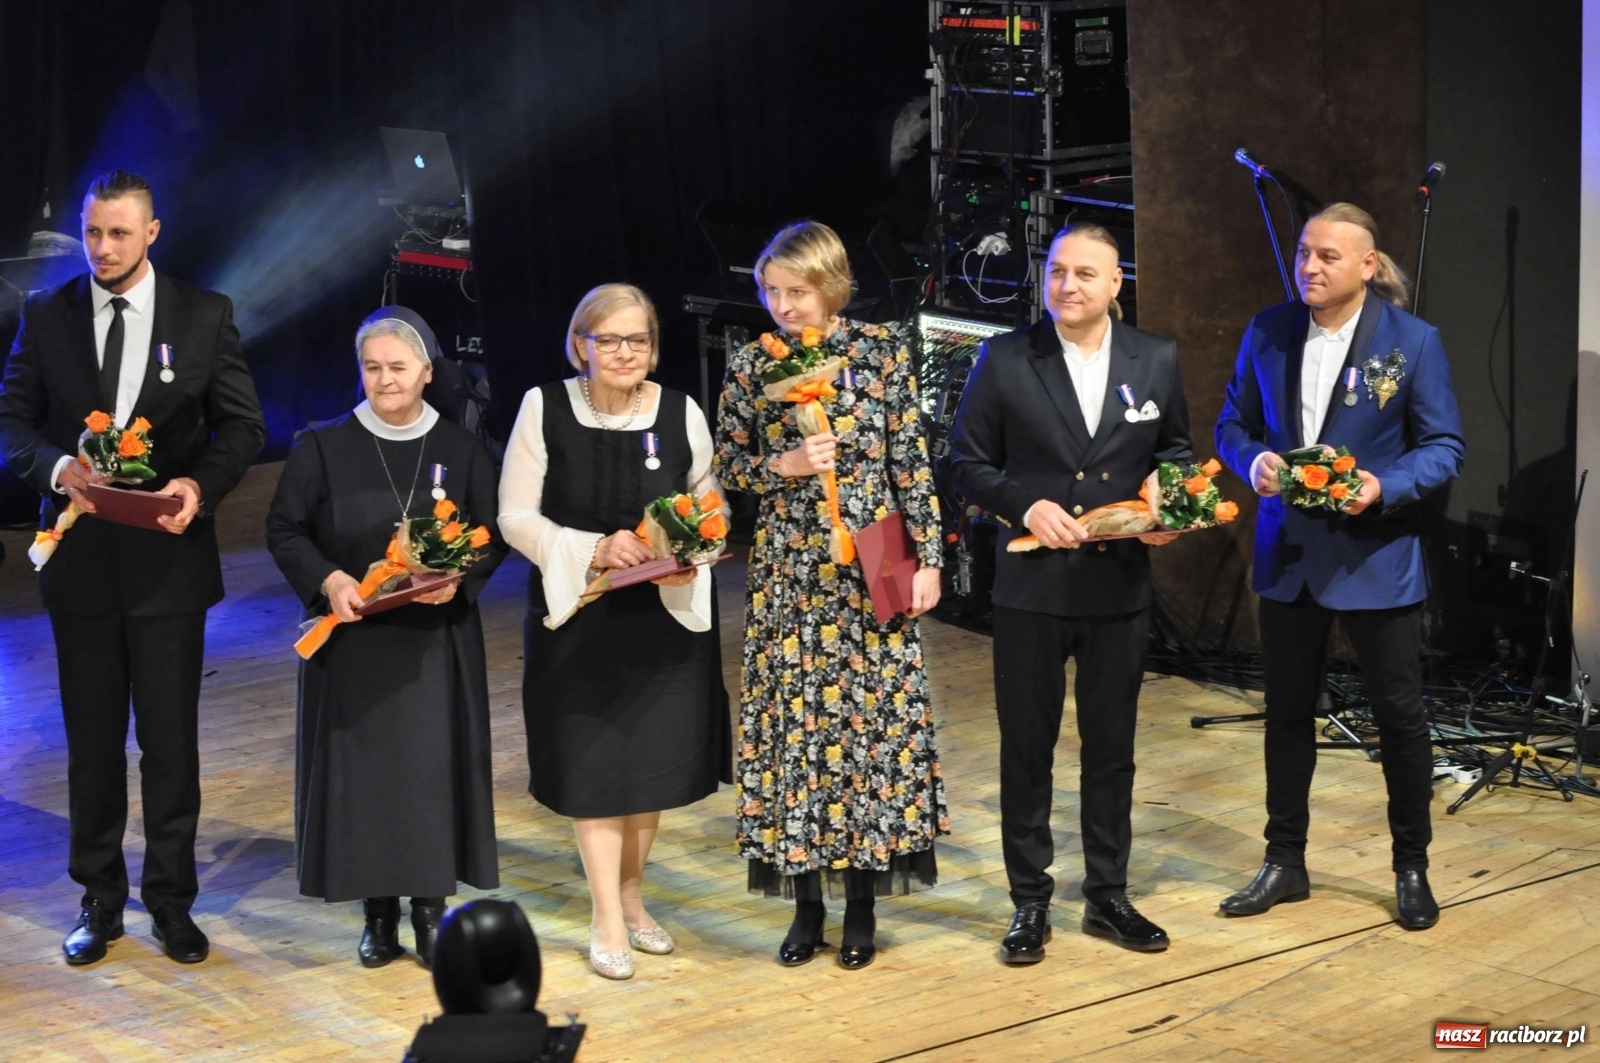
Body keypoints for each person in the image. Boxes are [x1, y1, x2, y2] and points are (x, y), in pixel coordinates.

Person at [0, 170, 266, 965]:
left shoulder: (204, 314)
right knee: (91, 745)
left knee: (169, 744)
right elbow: (11, 421)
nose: (103, 248)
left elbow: (242, 428)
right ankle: (99, 899)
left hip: (167, 567)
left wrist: (199, 487)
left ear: (152, 232)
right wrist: (56, 468)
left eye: (119, 233)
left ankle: (172, 901)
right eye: (92, 232)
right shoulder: (46, 313)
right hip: (80, 565)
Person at [946, 224, 1192, 963]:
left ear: (1117, 283)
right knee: (1028, 749)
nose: (1068, 285)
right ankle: (1030, 900)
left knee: (1111, 750)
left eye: (1086, 273)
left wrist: (1168, 508)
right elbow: (965, 462)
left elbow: (1174, 452)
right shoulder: (1005, 356)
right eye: (1057, 271)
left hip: (1118, 586)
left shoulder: (1157, 357)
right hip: (1031, 587)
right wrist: (1025, 506)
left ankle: (1108, 894)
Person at [1214, 202, 1464, 930]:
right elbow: (1232, 423)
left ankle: (1411, 866)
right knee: (1287, 714)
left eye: (1327, 256)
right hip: (1289, 556)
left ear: (1366, 264)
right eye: (1304, 252)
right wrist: (1252, 460)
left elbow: (1444, 447)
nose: (1310, 266)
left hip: (1374, 556)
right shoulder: (1268, 328)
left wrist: (1384, 485)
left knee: (1399, 718)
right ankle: (1284, 861)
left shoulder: (1412, 342)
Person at [714, 221, 949, 971]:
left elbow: (910, 461)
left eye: (796, 290)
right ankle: (806, 903)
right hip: (791, 572)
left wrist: (929, 558)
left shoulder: (879, 352)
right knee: (797, 735)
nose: (783, 305)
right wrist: (779, 465)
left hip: (875, 557)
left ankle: (862, 905)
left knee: (871, 730)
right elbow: (727, 466)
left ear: (831, 285)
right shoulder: (752, 364)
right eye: (771, 291)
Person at [499, 283, 731, 981]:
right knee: (595, 770)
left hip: (662, 621)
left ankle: (633, 897)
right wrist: (594, 548)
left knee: (649, 768)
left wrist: (696, 542)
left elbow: (711, 500)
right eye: (609, 339)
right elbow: (515, 516)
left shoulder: (680, 410)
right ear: (581, 345)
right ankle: (606, 914)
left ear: (653, 347)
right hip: (580, 619)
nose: (625, 352)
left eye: (638, 339)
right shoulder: (543, 407)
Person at [265, 306, 507, 968]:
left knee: (431, 775)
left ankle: (430, 911)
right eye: (372, 368)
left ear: (427, 372)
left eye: (398, 367)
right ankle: (378, 915)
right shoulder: (322, 446)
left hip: (435, 641)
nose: (384, 379)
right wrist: (329, 578)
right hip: (354, 643)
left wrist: (460, 580)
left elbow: (492, 532)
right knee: (366, 781)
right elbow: (285, 529)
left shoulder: (461, 449)